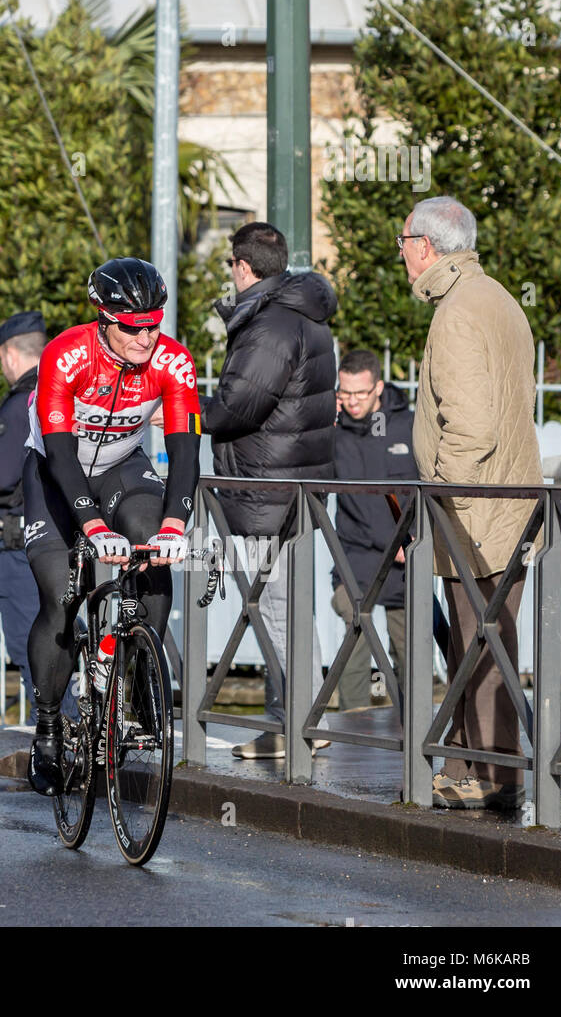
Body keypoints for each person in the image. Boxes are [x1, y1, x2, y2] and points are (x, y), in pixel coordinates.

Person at [24, 257, 202, 796]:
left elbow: (186, 450)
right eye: (132, 327)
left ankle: (138, 680)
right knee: (60, 596)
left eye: (155, 324)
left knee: (154, 545)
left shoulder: (174, 362)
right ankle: (50, 721)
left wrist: (176, 524)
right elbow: (58, 451)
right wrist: (93, 524)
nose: (146, 337)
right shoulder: (66, 354)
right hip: (57, 473)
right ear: (103, 320)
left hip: (125, 466)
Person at [401, 196, 541, 811]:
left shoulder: (456, 312)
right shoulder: (501, 299)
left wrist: (436, 489)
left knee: (478, 643)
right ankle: (476, 768)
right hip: (507, 503)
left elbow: (473, 429)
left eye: (404, 243)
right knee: (483, 642)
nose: (402, 255)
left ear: (427, 247)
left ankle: (489, 776)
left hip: (473, 510)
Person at [201, 223, 337, 760]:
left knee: (274, 606)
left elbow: (240, 405)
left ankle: (296, 724)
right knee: (288, 606)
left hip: (265, 486)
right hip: (294, 484)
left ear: (242, 266)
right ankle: (306, 717)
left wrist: (189, 411)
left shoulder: (272, 325)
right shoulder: (302, 314)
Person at [331, 348, 415, 711]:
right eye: (344, 393)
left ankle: (414, 724)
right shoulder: (331, 430)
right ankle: (354, 718)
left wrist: (415, 538)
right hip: (356, 555)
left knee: (410, 648)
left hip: (405, 554)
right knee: (353, 619)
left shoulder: (409, 424)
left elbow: (429, 485)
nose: (352, 402)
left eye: (360, 394)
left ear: (378, 387)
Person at [0, 310, 45, 707]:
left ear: (11, 356)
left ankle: (52, 737)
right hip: (51, 537)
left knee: (29, 640)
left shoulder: (19, 405)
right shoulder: (53, 392)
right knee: (54, 632)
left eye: (1, 360)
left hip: (21, 543)